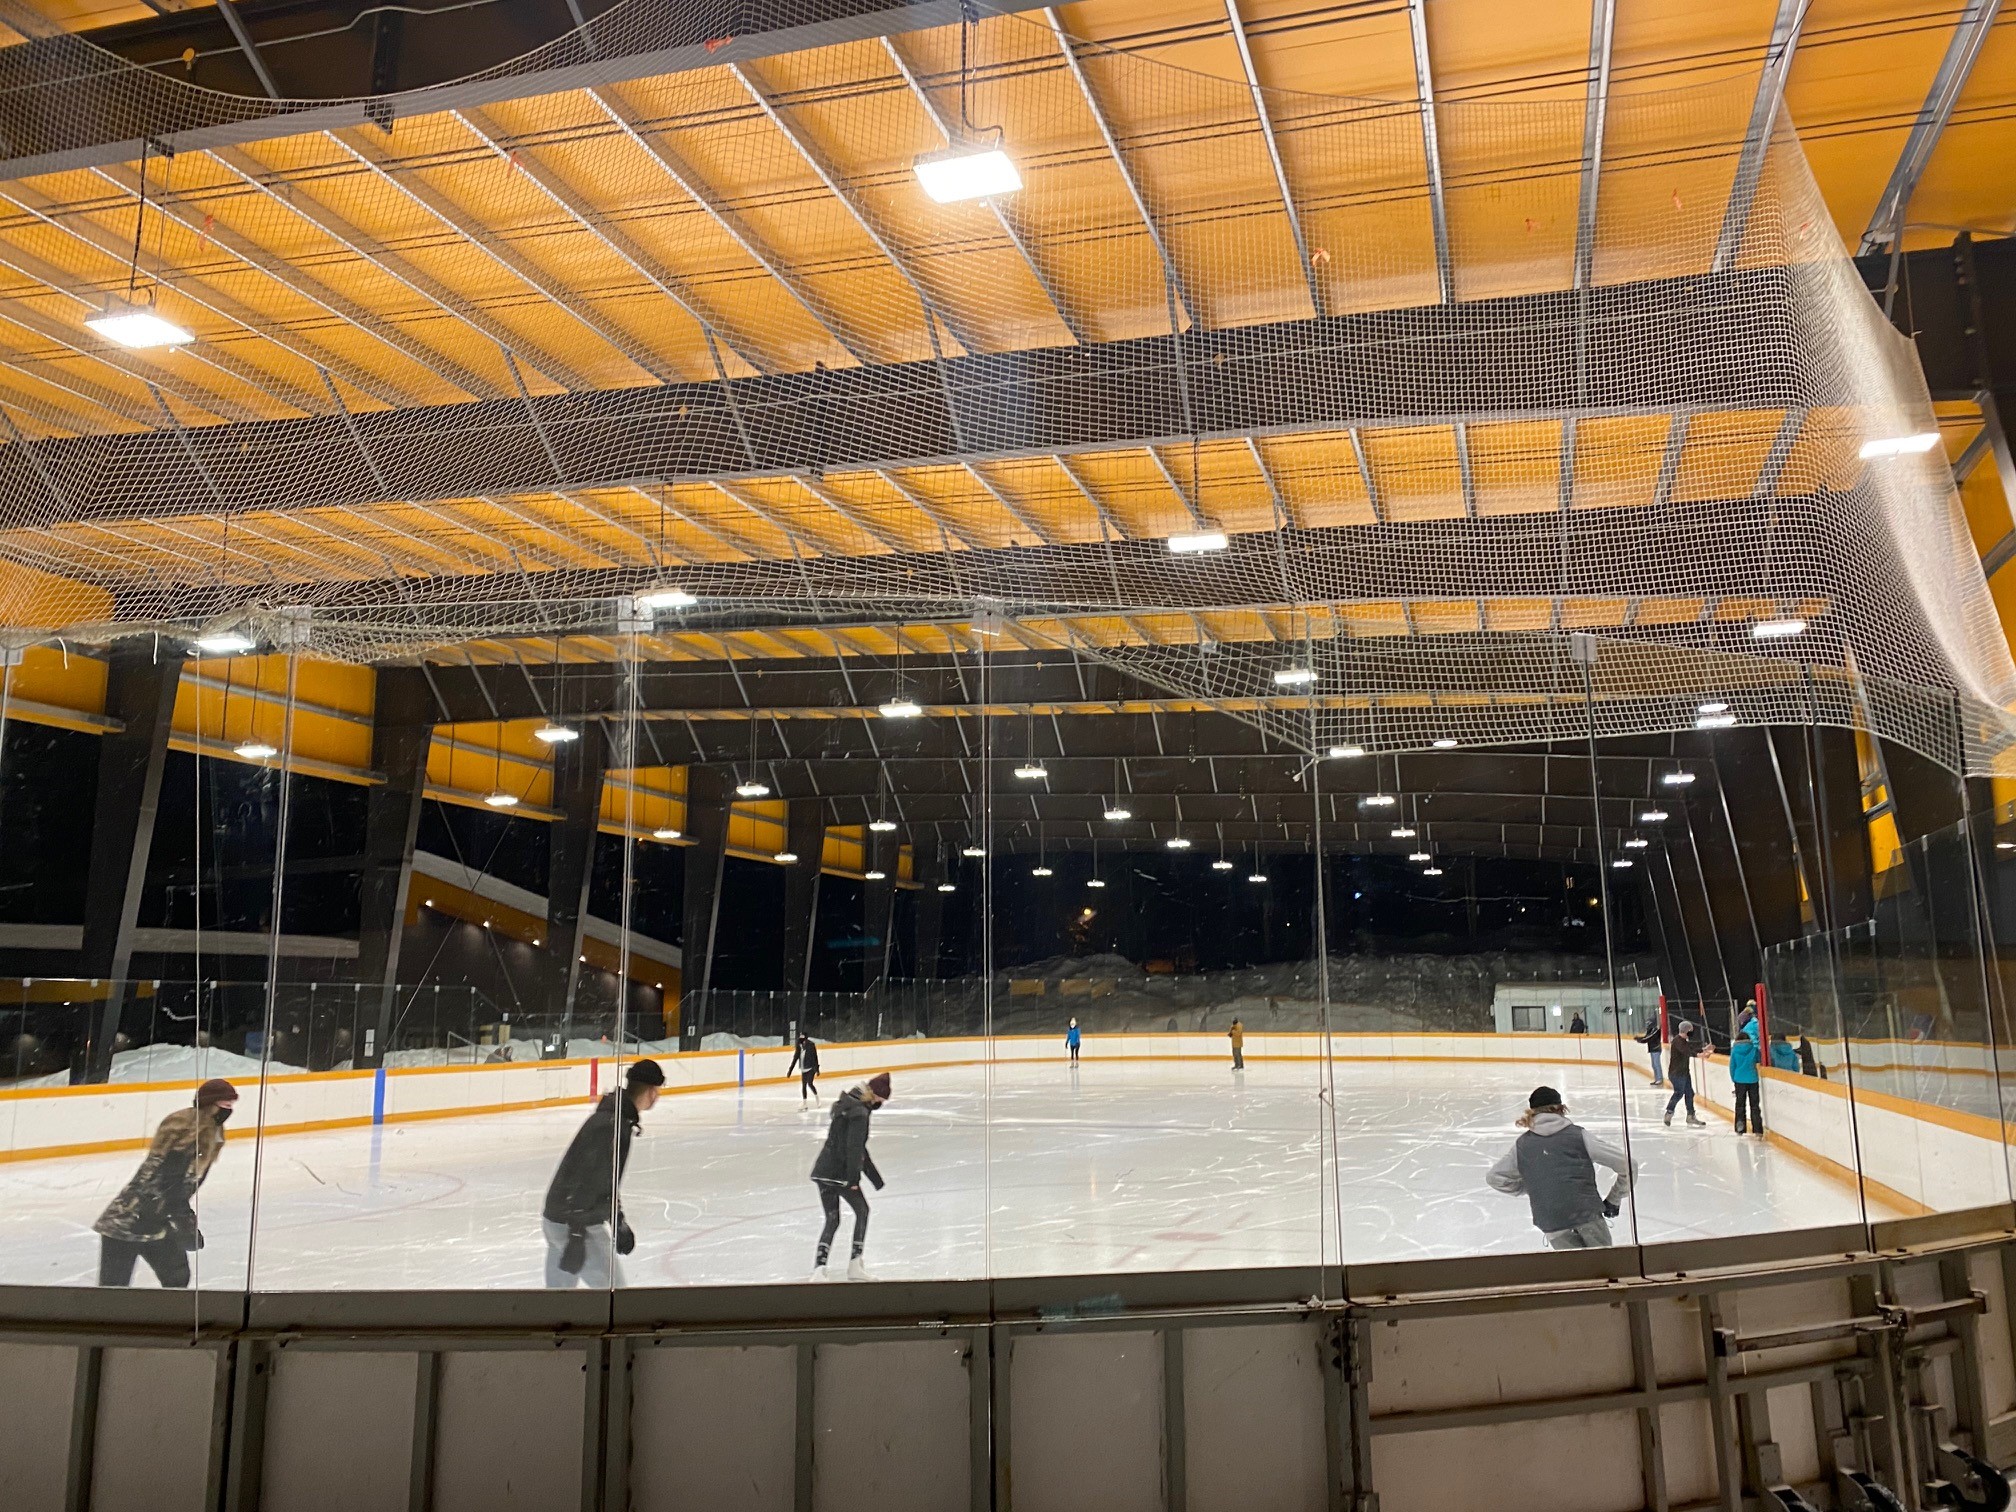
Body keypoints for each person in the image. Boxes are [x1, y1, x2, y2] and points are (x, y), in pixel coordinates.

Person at [95, 1078, 238, 1287]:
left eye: (231, 1105)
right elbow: (168, 1179)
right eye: (225, 1105)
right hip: (126, 1220)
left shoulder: (211, 1131)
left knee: (177, 1279)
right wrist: (183, 1218)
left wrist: (181, 1218)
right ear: (210, 1104)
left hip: (158, 1219)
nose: (229, 1110)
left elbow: (178, 1184)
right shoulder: (191, 1128)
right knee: (113, 1291)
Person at [542, 1058, 664, 1287]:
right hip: (575, 1224)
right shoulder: (613, 1125)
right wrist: (577, 1235)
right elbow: (589, 1179)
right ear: (650, 1092)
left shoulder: (614, 1118)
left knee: (557, 1302)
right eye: (656, 1090)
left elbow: (604, 1180)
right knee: (616, 1297)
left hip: (557, 1218)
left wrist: (618, 1221)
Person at [1485, 1086, 1636, 1249]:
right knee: (1603, 1266)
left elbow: (1494, 1177)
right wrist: (1614, 1198)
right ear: (1561, 1108)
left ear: (1532, 1112)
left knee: (1575, 1271)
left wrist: (1535, 1187)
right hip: (1585, 1212)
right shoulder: (1579, 1136)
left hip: (1550, 1219)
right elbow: (1628, 1165)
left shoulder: (1522, 1145)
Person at [811, 1072, 890, 1280]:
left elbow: (857, 1148)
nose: (882, 1102)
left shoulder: (846, 1105)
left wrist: (875, 1179)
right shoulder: (860, 1114)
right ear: (875, 1095)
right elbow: (855, 1148)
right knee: (862, 1211)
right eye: (883, 1098)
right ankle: (855, 1265)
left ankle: (819, 1269)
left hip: (824, 1170)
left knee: (832, 1219)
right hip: (841, 1173)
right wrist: (853, 1180)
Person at [1664, 1022, 1708, 1127]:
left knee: (1689, 1093)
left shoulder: (1684, 1041)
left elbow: (1690, 1049)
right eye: (1691, 1030)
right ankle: (1669, 1112)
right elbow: (1686, 1051)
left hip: (1684, 1072)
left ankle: (1690, 1116)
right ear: (1687, 1030)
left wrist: (1703, 1050)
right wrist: (1698, 1054)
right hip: (1677, 1073)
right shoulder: (1677, 1041)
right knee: (1679, 1093)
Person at [1728, 1015, 1764, 1136]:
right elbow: (1759, 1059)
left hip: (1739, 1080)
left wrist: (1734, 1079)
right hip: (1753, 1079)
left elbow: (1732, 1067)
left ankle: (1740, 1127)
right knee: (1754, 1105)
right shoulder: (1753, 1049)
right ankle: (1758, 1130)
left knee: (1740, 1105)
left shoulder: (1734, 1051)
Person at [787, 1032, 821, 1102]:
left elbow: (815, 1057)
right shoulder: (799, 1046)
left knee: (810, 1083)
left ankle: (817, 1097)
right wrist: (790, 1070)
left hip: (811, 1068)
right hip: (803, 1068)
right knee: (804, 1085)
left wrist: (817, 1069)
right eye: (800, 1036)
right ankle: (804, 1102)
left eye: (803, 1036)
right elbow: (795, 1058)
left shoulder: (811, 1045)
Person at [1636, 1019, 1664, 1086]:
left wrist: (1640, 1040)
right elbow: (1646, 1037)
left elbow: (1649, 1038)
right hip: (1652, 1049)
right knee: (1654, 1065)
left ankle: (1659, 1079)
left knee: (1656, 1064)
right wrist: (1640, 1038)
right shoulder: (1650, 1030)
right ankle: (1657, 1079)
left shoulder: (1655, 1030)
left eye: (1648, 1023)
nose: (1647, 1025)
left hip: (1656, 1049)